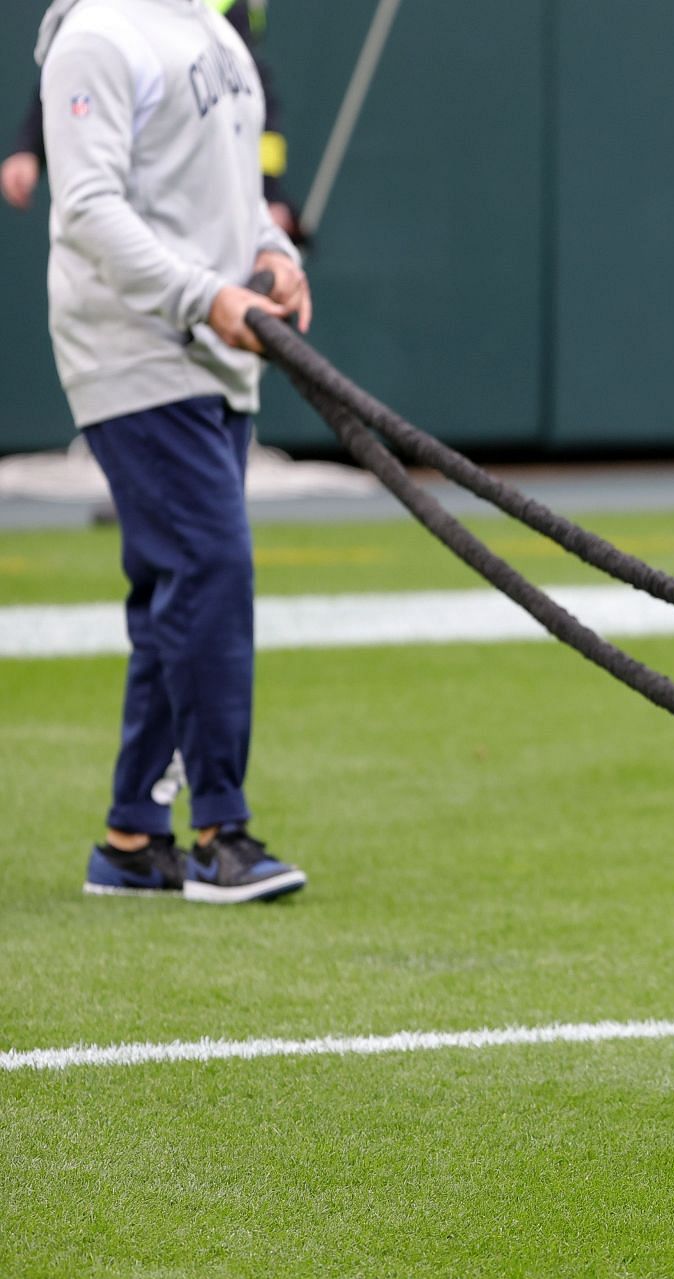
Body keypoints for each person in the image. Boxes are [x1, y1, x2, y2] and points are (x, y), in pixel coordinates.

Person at [38, 0, 315, 903]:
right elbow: (85, 209)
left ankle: (130, 840)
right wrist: (205, 295)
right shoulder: (95, 36)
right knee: (210, 568)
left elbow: (235, 199)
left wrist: (277, 257)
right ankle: (220, 835)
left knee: (180, 585)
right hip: (136, 351)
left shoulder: (213, 28)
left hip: (217, 356)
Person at [5, 0, 300, 243]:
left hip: (198, 213)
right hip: (137, 257)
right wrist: (29, 147)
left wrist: (268, 206)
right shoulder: (93, 25)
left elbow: (245, 109)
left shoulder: (226, 27)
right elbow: (79, 70)